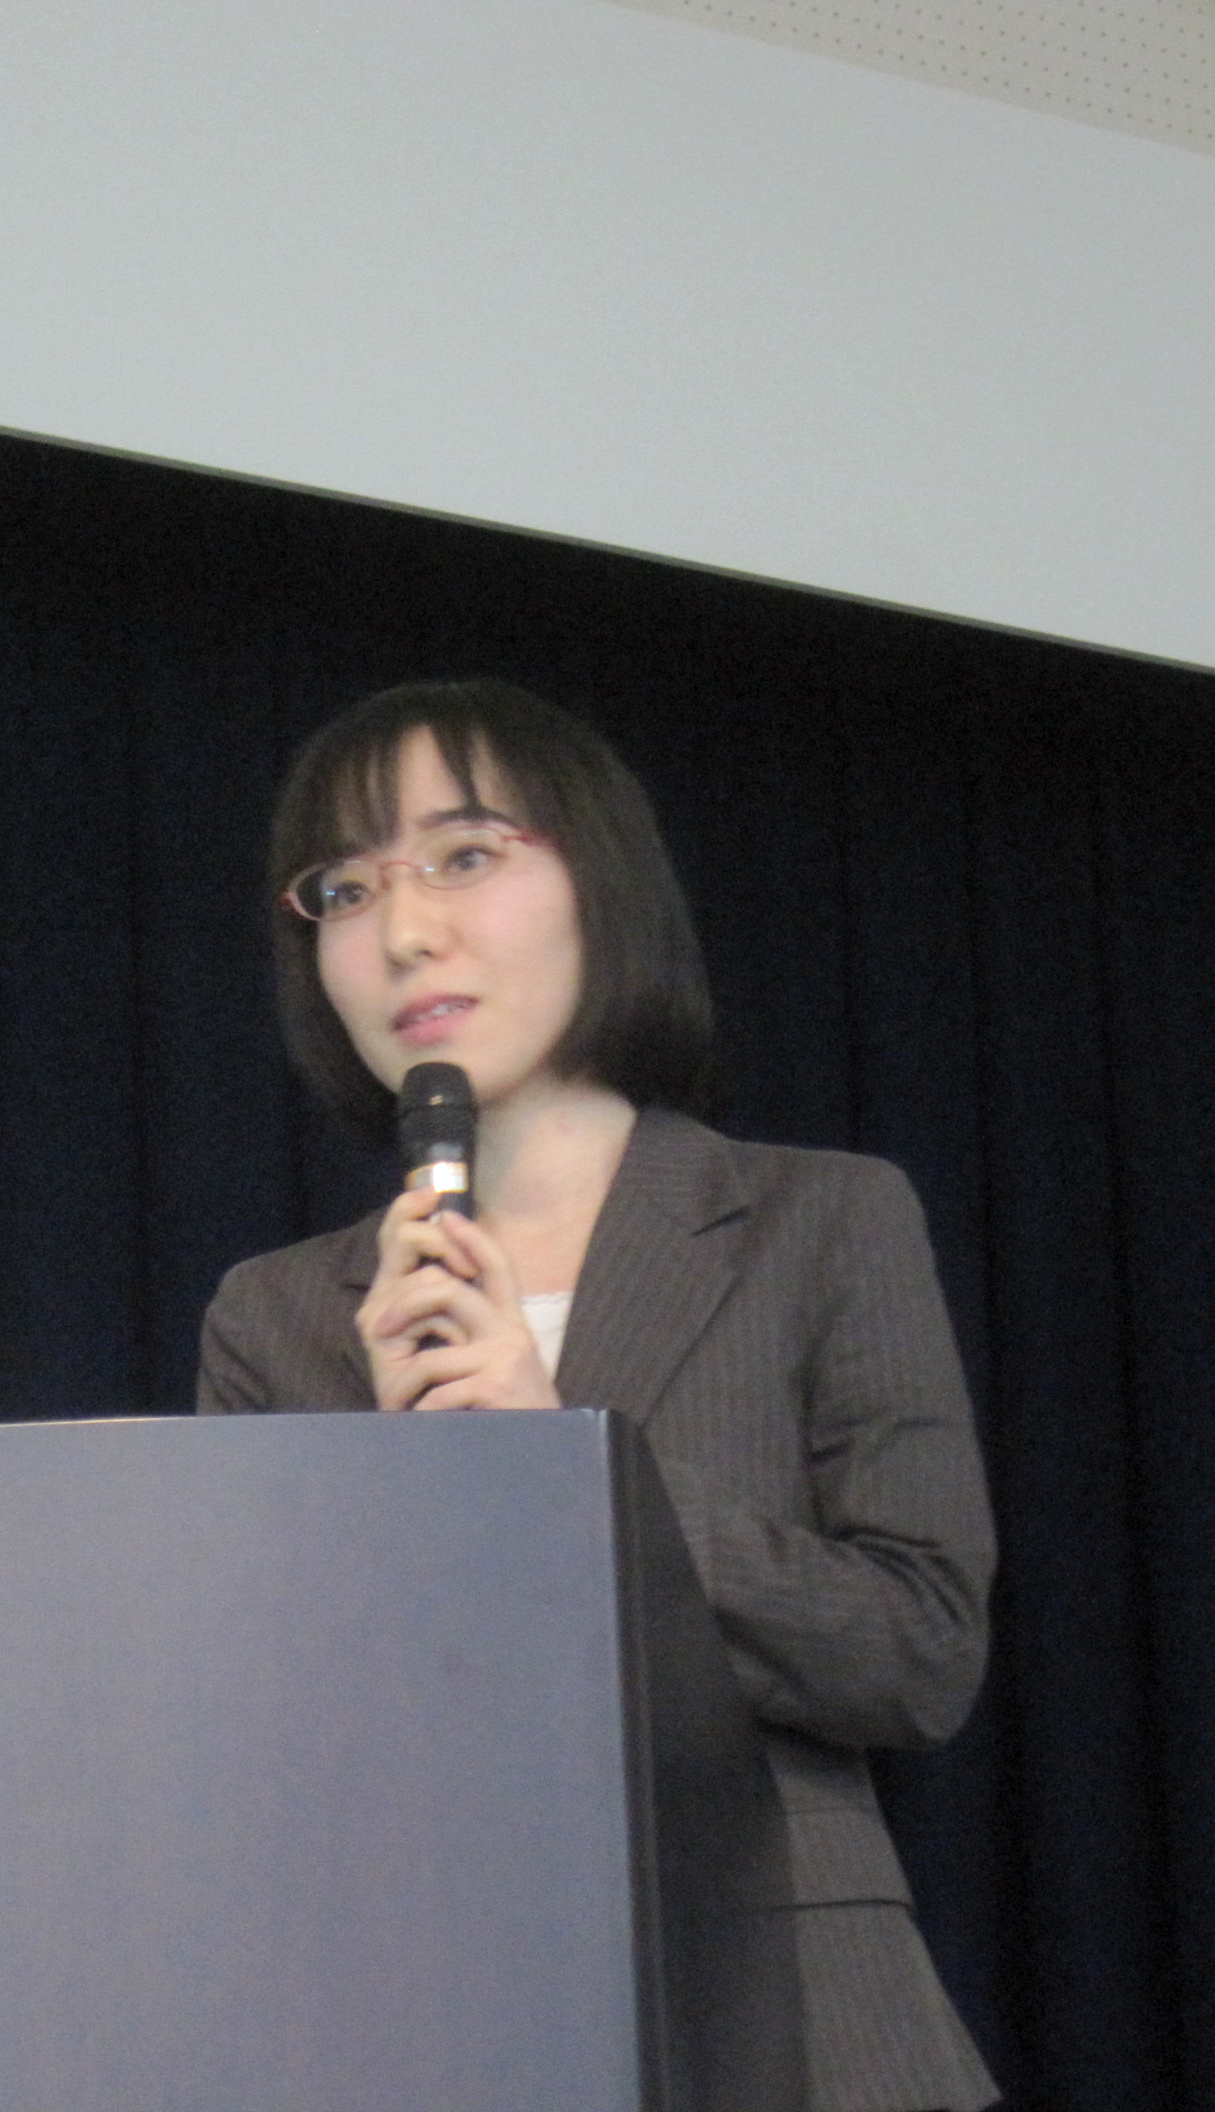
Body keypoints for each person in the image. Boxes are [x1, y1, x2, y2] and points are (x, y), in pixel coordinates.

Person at [197, 679, 1000, 2112]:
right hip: (428, 2022)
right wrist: (390, 1496)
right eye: (346, 890)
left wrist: (569, 1464)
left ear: (602, 883)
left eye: (463, 855)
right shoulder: (279, 1318)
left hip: (795, 2022)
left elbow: (917, 1651)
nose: (405, 930)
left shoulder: (822, 1221)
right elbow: (271, 1772)